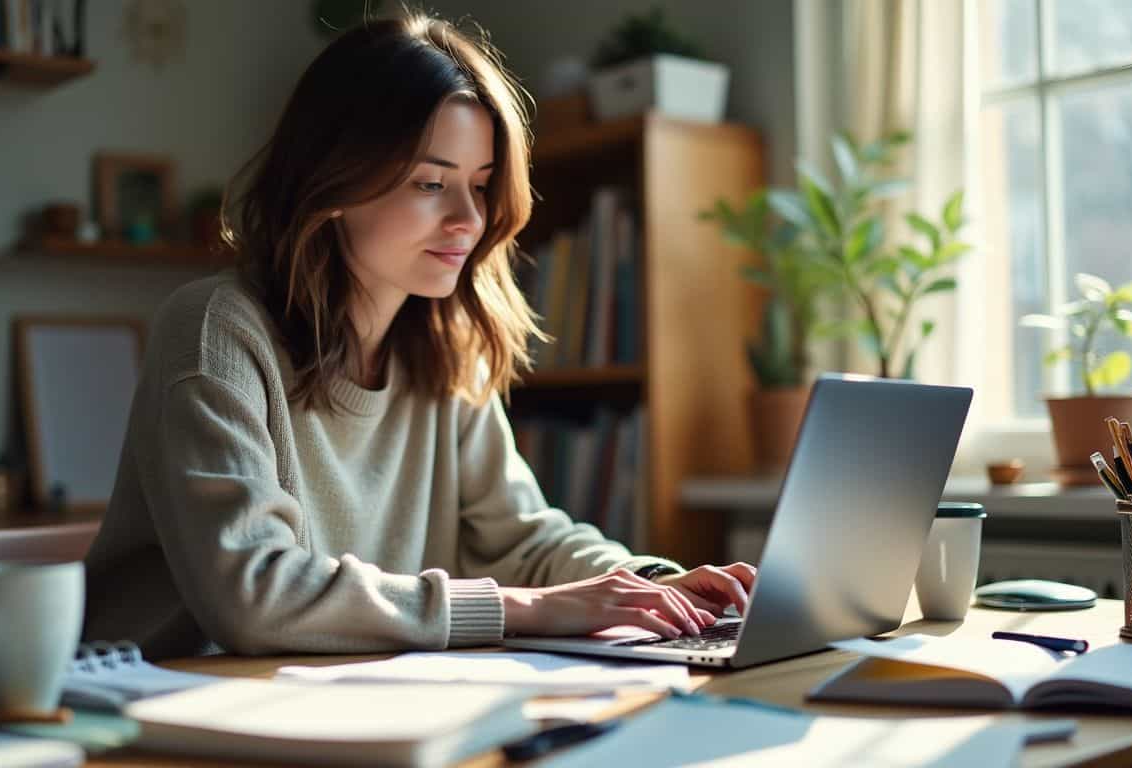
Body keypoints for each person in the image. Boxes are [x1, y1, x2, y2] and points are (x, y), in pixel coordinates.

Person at [83, 13, 756, 660]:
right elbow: (255, 596)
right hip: (157, 704)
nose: (469, 218)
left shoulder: (447, 346)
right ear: (334, 182)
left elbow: (521, 537)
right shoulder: (216, 332)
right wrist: (529, 608)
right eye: (431, 182)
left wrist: (647, 583)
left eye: (483, 185)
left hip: (340, 701)